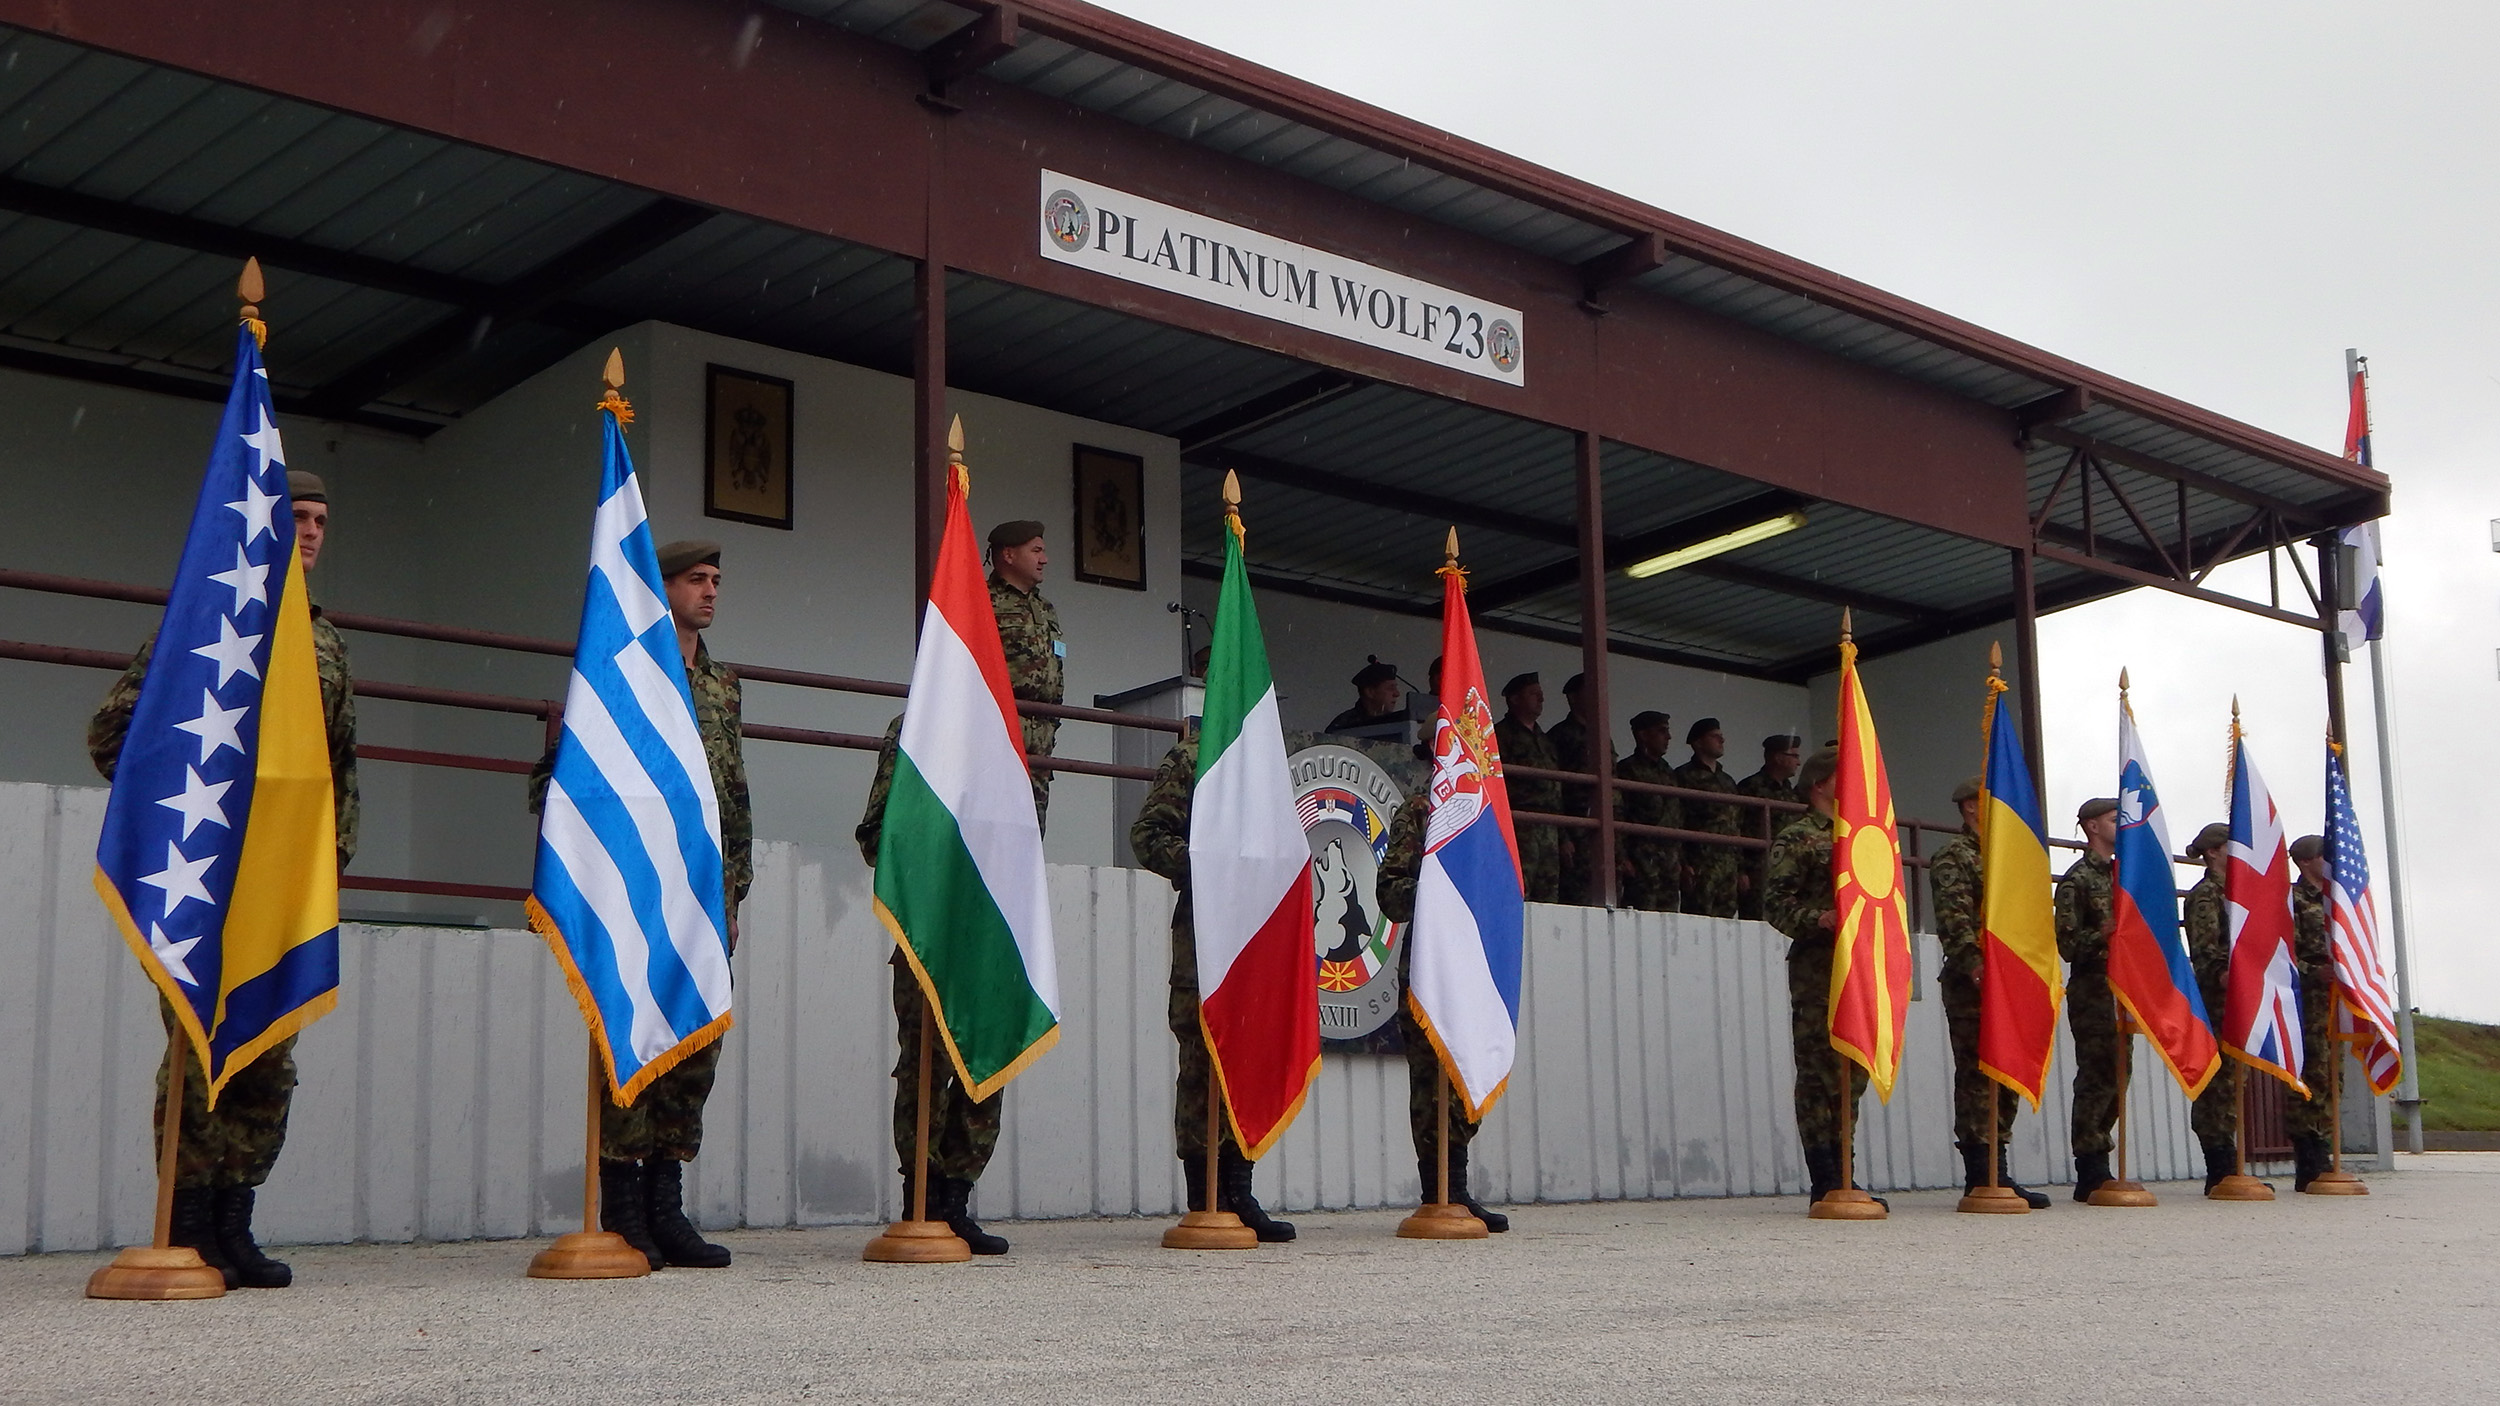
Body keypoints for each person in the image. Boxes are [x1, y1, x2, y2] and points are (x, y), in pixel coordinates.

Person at [87, 469, 357, 1291]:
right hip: (202, 878)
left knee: (268, 1053)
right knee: (198, 1047)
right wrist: (183, 814)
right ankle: (186, 1220)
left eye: (320, 520)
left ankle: (235, 1219)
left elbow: (337, 770)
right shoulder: (207, 620)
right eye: (296, 517)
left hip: (283, 881)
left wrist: (330, 860)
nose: (310, 532)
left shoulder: (324, 640)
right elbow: (115, 734)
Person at [529, 539, 749, 1270]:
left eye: (716, 580)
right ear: (663, 589)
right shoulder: (621, 670)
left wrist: (733, 890)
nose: (710, 591)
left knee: (695, 1043)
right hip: (635, 887)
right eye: (695, 580)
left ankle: (665, 1203)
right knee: (633, 1036)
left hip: (697, 892)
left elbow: (731, 796)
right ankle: (623, 1206)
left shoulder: (721, 686)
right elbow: (560, 783)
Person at [1129, 724, 1296, 1242]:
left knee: (1249, 1064)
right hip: (1206, 942)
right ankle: (1206, 1195)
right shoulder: (1193, 758)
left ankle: (1240, 1190)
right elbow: (1149, 835)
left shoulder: (1266, 764)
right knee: (1203, 1068)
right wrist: (1208, 865)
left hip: (1255, 939)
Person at [856, 716, 1010, 1253]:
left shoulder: (1004, 725)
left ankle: (956, 1198)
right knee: (926, 1065)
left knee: (985, 1062)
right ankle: (921, 1197)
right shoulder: (919, 724)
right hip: (929, 926)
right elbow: (876, 835)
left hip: (990, 929)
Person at [1374, 795, 1507, 1230]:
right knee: (1432, 1084)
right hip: (1431, 971)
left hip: (1476, 966)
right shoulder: (1421, 810)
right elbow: (1390, 893)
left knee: (1468, 1074)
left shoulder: (1485, 809)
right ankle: (1439, 1191)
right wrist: (1439, 891)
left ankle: (1458, 1187)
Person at [1762, 746, 1880, 1208]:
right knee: (1818, 1071)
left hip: (1860, 965)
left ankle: (1846, 1171)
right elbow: (1776, 903)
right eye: (1841, 775)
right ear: (1818, 784)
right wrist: (1819, 918)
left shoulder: (1864, 836)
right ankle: (1825, 1176)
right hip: (1819, 968)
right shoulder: (1798, 837)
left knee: (1853, 1070)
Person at [1927, 777, 2048, 1208]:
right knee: (1978, 1074)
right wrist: (1975, 964)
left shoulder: (2008, 857)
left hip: (2011, 980)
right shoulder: (1954, 856)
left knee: (2007, 1070)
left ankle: (2000, 1166)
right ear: (1970, 807)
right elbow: (1954, 918)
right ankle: (1980, 1171)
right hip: (1973, 982)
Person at [2056, 796, 2122, 1201]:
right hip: (2093, 988)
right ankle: (2091, 1167)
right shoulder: (2077, 880)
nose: (2122, 825)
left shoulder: (2124, 876)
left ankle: (2104, 1159)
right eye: (2114, 819)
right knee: (2097, 1075)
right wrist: (2103, 933)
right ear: (2092, 826)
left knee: (2118, 1074)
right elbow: (2067, 944)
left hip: (2123, 987)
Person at [2181, 821, 2252, 1192]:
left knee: (2235, 1079)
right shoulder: (2207, 895)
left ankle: (2230, 1161)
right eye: (2230, 846)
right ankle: (2219, 1164)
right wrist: (2227, 974)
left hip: (2241, 999)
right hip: (2218, 1000)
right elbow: (2205, 952)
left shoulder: (2239, 893)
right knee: (2217, 1081)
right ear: (2212, 852)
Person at [988, 520, 1064, 829]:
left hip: (1041, 737)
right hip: (999, 731)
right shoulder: (981, 600)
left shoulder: (1045, 608)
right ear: (1008, 554)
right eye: (1036, 551)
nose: (1044, 559)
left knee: (1030, 830)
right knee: (992, 826)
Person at [2287, 833, 2339, 1191]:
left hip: (2333, 1001)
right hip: (2306, 999)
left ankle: (2326, 1151)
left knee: (2333, 1076)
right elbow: (2283, 953)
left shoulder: (2336, 900)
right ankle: (2309, 1159)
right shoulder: (2293, 900)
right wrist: (2313, 972)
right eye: (2323, 855)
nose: (2330, 862)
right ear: (2306, 861)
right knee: (2310, 1075)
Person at [1545, 673, 1615, 905]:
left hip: (1604, 830)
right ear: (1573, 698)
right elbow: (1553, 789)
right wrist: (1563, 836)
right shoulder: (1560, 735)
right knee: (1576, 899)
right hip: (1575, 830)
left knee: (1606, 897)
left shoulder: (1602, 736)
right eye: (1589, 692)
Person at [1493, 672, 1562, 903]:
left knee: (1548, 894)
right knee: (1518, 888)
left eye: (1540, 694)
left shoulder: (1546, 740)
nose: (1541, 699)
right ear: (1514, 699)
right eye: (1533, 694)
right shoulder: (1500, 735)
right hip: (1519, 824)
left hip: (1549, 826)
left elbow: (1557, 788)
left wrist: (1564, 834)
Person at [1612, 711, 1682, 912]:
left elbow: (1677, 817)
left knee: (1670, 920)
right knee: (1641, 916)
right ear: (1643, 735)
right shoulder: (1627, 770)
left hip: (1668, 861)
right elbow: (1618, 814)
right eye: (1661, 731)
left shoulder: (1668, 772)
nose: (1668, 737)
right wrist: (1621, 856)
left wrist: (1681, 859)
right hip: (1641, 859)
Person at [1674, 717, 1744, 918]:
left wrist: (1741, 868)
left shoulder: (1727, 781)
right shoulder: (1683, 776)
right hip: (1700, 862)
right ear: (1698, 743)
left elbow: (1736, 824)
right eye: (1714, 736)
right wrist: (1683, 862)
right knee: (1699, 919)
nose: (1721, 740)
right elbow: (1676, 819)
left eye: (1721, 736)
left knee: (1727, 921)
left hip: (1728, 864)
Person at [1734, 734, 1804, 918]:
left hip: (1787, 869)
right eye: (1794, 756)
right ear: (1778, 758)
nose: (1798, 762)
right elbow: (1736, 828)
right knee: (1757, 920)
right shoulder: (1751, 787)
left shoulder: (1791, 793)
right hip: (1758, 870)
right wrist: (1740, 870)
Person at [1325, 660, 1406, 737]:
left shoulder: (1398, 723)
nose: (1397, 694)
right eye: (1391, 688)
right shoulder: (1344, 725)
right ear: (1370, 692)